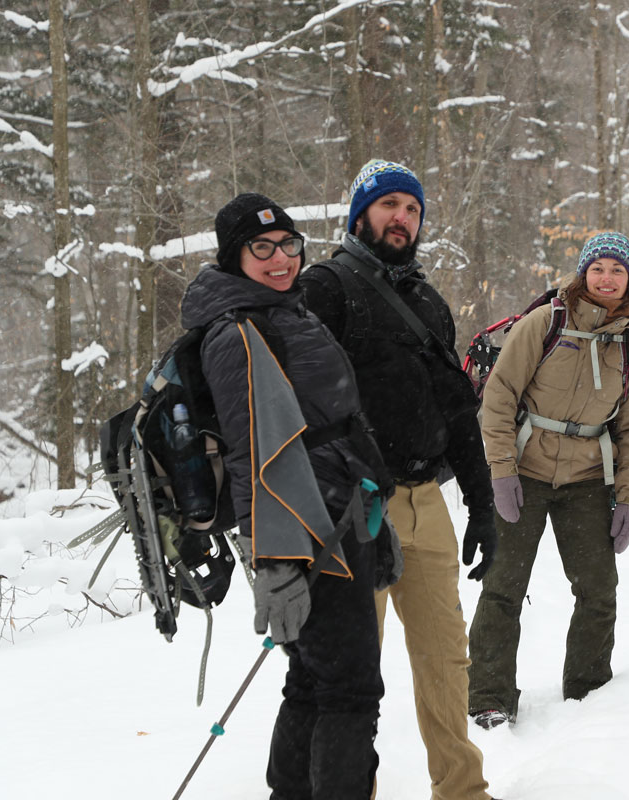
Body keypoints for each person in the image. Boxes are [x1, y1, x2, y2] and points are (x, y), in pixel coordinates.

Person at [181, 192, 396, 799]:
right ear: (234, 256)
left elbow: (338, 423)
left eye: (289, 245)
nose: (280, 258)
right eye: (262, 248)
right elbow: (256, 454)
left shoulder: (285, 311)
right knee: (349, 690)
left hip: (339, 515)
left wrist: (374, 517)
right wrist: (275, 563)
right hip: (305, 532)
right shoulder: (237, 331)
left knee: (313, 680)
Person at [301, 159, 499, 800]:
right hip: (353, 510)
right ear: (361, 214)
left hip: (426, 505)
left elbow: (458, 408)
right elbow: (298, 407)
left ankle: (463, 791)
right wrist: (339, 485)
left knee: (447, 659)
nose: (402, 218)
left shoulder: (426, 300)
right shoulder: (325, 289)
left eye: (412, 209)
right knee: (354, 672)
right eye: (390, 206)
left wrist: (481, 501)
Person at [466, 231, 629, 730]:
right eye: (599, 269)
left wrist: (628, 499)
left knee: (598, 589)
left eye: (618, 270)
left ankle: (589, 693)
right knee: (503, 587)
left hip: (589, 480)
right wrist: (502, 470)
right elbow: (500, 397)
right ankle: (488, 697)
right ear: (583, 273)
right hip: (524, 474)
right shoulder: (545, 323)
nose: (607, 278)